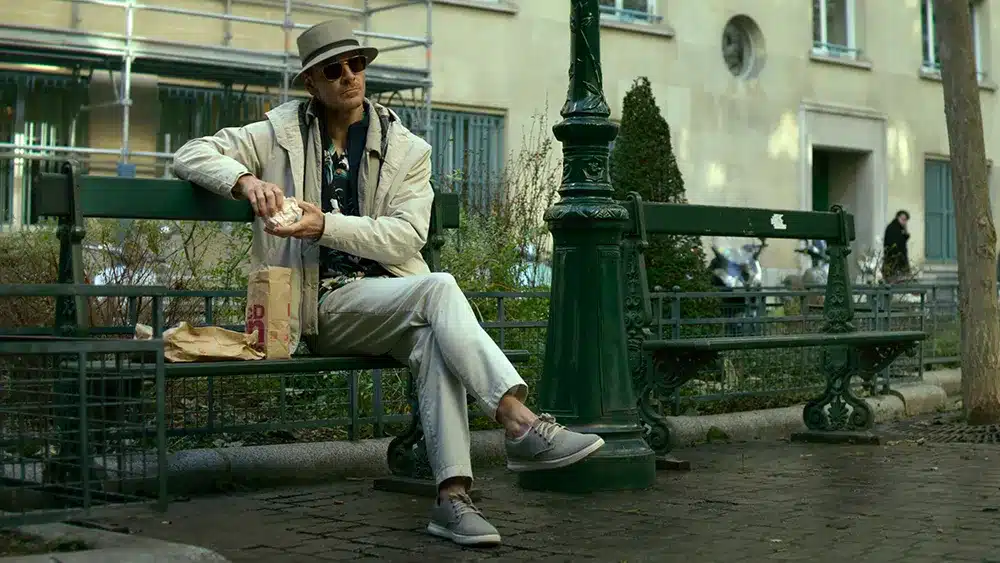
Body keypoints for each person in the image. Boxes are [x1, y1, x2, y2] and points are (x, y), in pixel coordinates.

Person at [171, 19, 604, 547]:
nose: (350, 76)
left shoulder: (406, 149)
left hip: (396, 300)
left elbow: (404, 239)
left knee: (432, 341)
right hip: (320, 306)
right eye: (334, 69)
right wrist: (244, 180)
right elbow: (190, 153)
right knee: (439, 289)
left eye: (358, 65)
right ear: (312, 82)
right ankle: (518, 422)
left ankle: (452, 499)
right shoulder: (276, 134)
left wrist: (324, 224)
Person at [881, 210, 911, 283]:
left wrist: (905, 233)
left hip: (898, 260)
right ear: (898, 218)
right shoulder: (893, 228)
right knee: (895, 281)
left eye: (905, 220)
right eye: (902, 219)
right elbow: (895, 244)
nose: (904, 222)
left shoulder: (900, 228)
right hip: (894, 260)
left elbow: (902, 241)